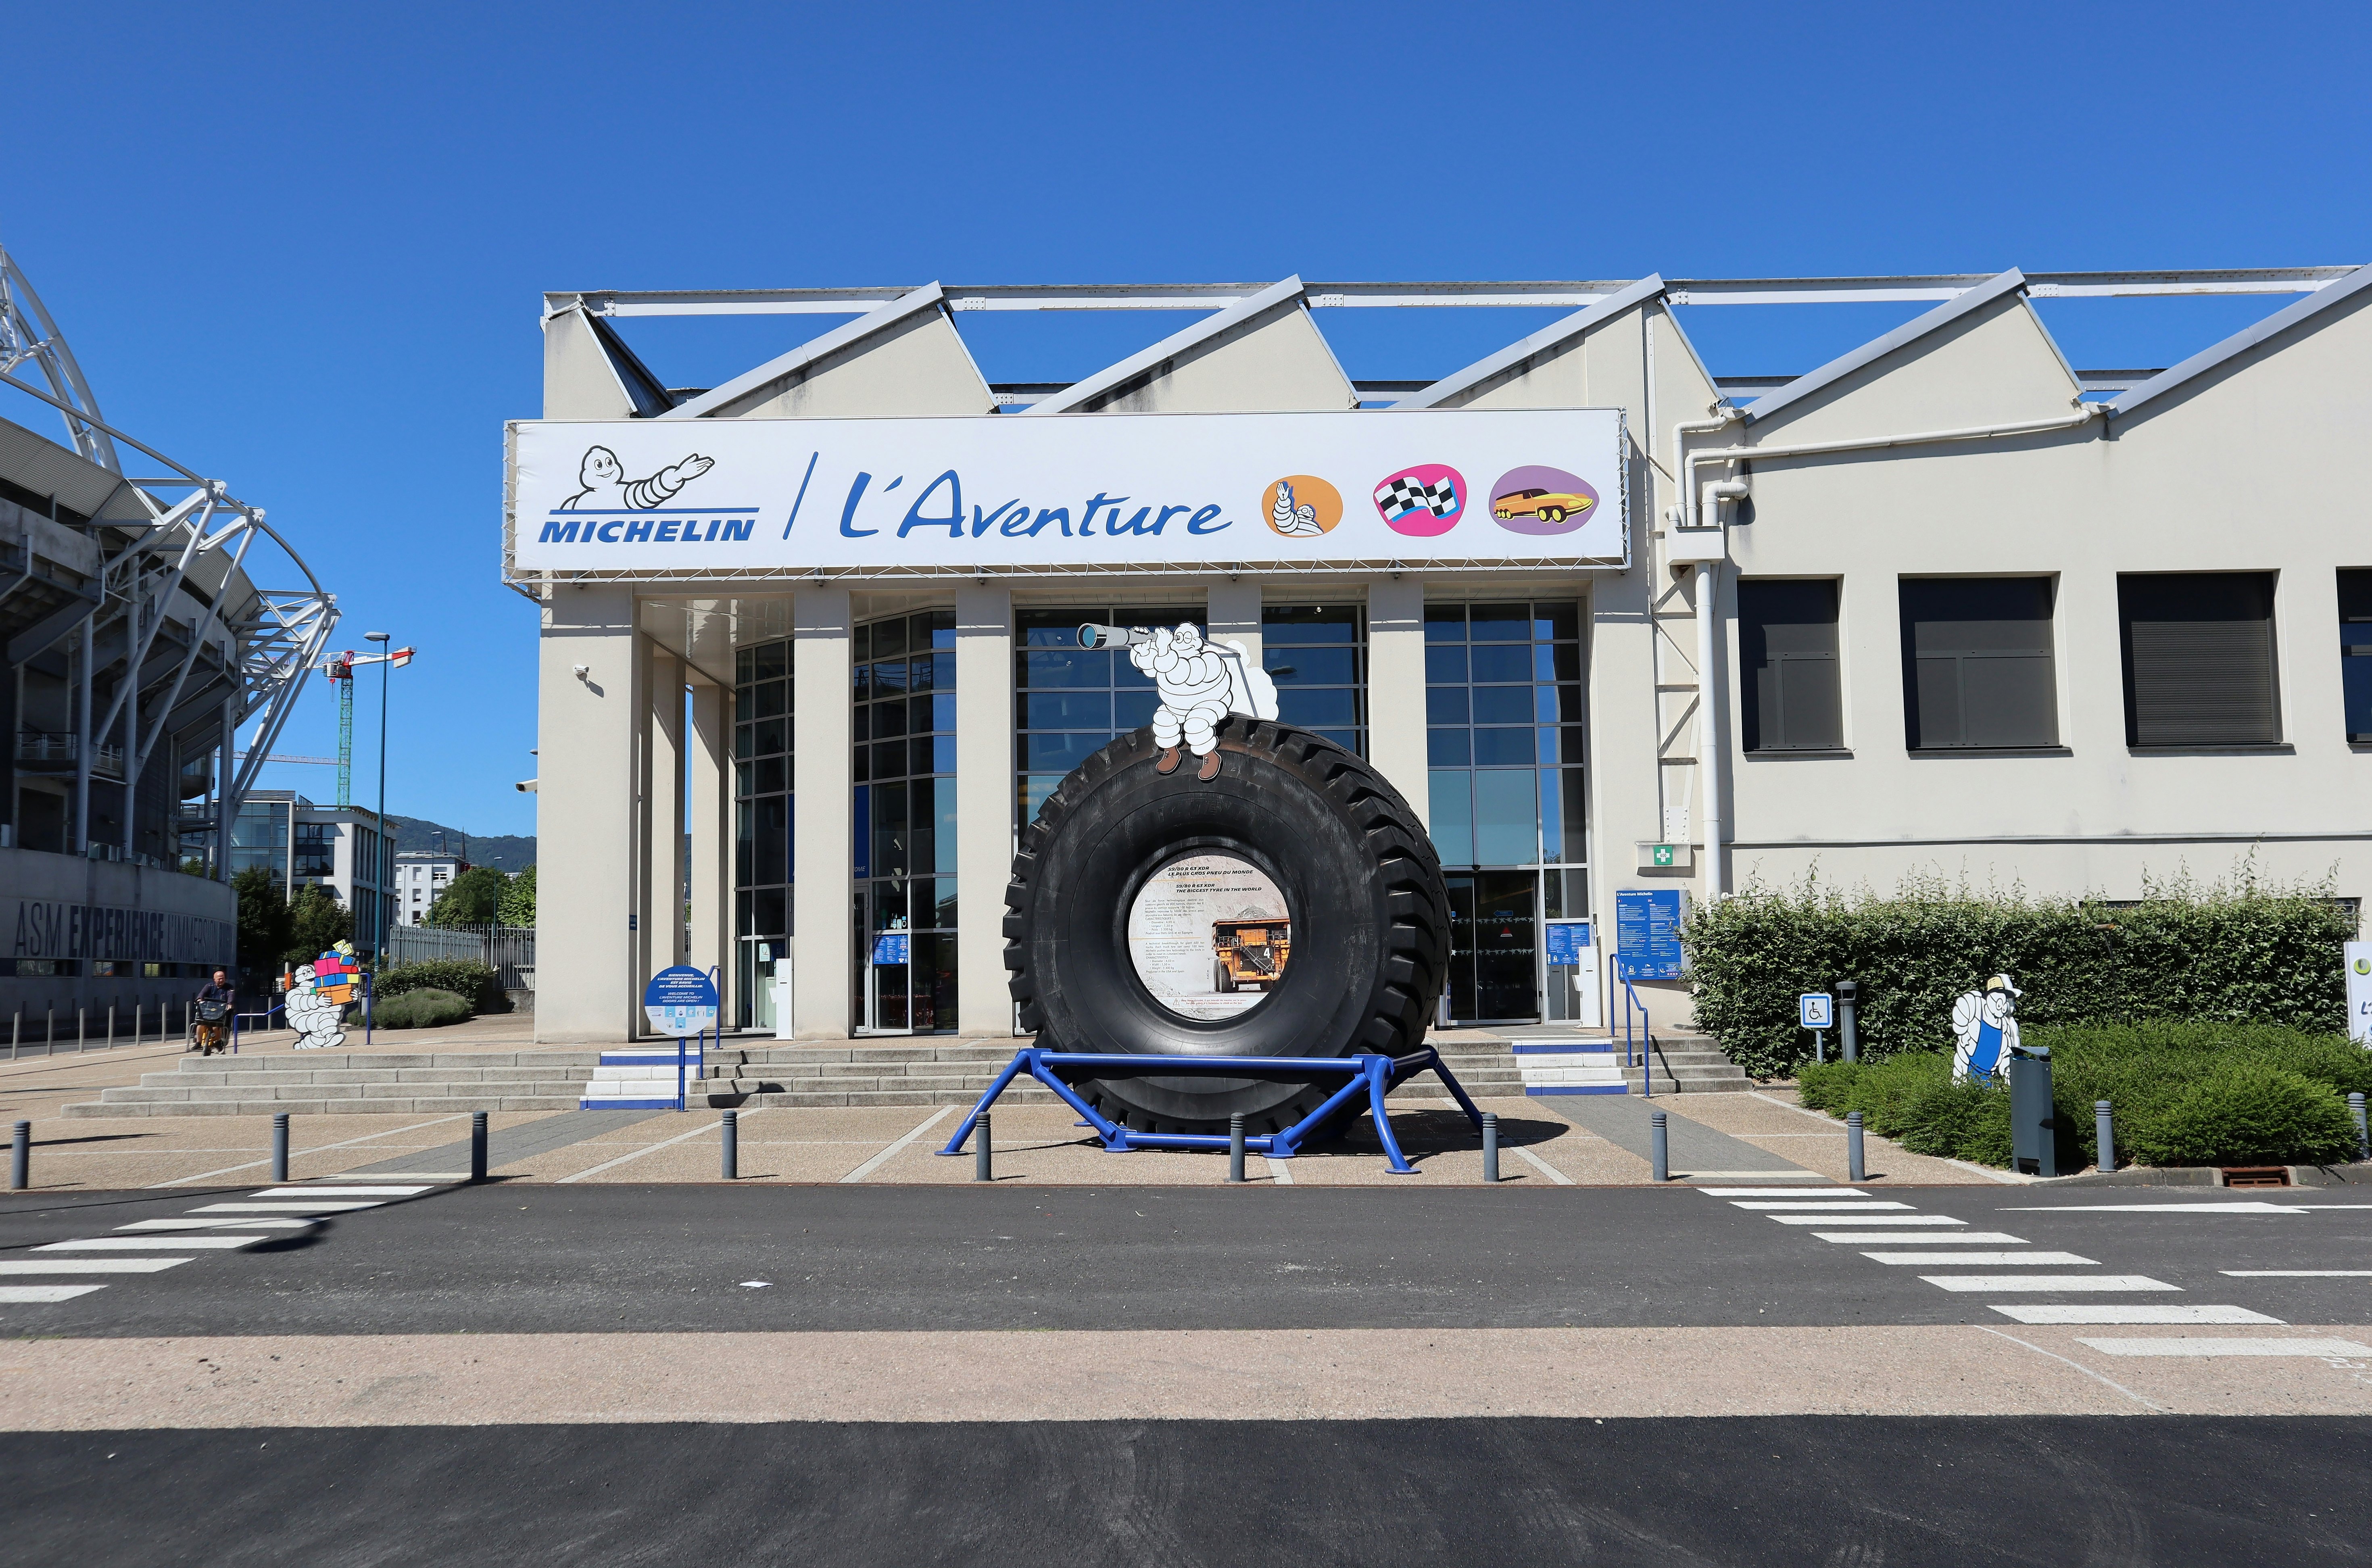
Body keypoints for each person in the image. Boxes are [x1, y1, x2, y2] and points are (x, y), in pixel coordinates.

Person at [193, 968, 235, 1056]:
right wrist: (199, 999)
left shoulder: (229, 988)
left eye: (223, 978)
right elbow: (202, 994)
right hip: (208, 1012)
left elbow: (231, 996)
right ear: (214, 979)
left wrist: (230, 1004)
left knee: (216, 1027)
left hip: (220, 1013)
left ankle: (218, 1042)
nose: (221, 980)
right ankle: (198, 1043)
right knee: (200, 1024)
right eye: (219, 979)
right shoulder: (209, 986)